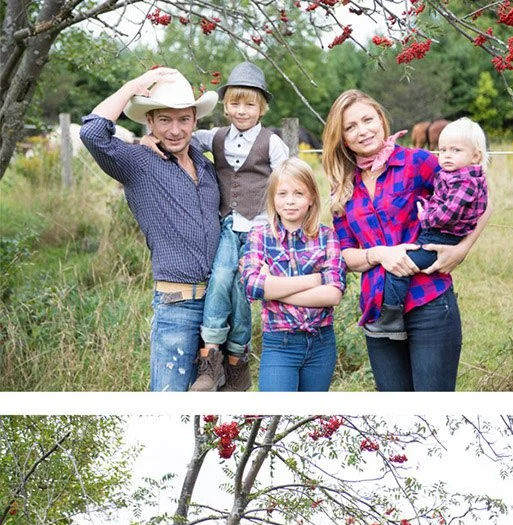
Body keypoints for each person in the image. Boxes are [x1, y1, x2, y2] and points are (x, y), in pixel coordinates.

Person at [321, 90, 492, 391]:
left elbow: (482, 195)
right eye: (351, 127)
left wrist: (461, 250)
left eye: (367, 119)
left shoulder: (417, 163)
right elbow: (344, 256)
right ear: (342, 138)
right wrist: (378, 254)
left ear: (381, 120)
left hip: (429, 302)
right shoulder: (344, 189)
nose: (363, 131)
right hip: (378, 312)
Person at [80, 69, 220, 391]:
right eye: (165, 121)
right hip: (177, 307)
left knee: (214, 400)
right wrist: (131, 87)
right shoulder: (138, 162)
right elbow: (92, 134)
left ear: (195, 120)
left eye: (183, 120)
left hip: (217, 308)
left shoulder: (206, 166)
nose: (175, 130)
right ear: (151, 123)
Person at [188, 62, 290, 393]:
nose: (241, 110)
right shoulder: (215, 137)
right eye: (235, 103)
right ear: (225, 105)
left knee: (243, 290)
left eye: (249, 104)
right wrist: (149, 142)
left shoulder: (271, 142)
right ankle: (212, 352)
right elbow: (182, 135)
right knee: (219, 279)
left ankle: (237, 359)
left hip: (260, 226)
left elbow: (286, 181)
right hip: (228, 223)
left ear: (262, 107)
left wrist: (282, 227)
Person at [367, 118, 490, 341]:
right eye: (442, 150)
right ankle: (391, 316)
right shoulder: (453, 174)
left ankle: (391, 318)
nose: (446, 155)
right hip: (438, 234)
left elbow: (449, 212)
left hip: (442, 236)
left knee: (400, 266)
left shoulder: (465, 181)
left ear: (476, 156)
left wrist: (426, 216)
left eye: (455, 150)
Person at [241, 158, 345, 391]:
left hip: (321, 342)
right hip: (280, 343)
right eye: (282, 194)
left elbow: (333, 294)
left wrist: (274, 289)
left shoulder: (326, 236)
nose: (290, 201)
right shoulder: (260, 236)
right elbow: (254, 287)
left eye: (299, 193)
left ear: (311, 199)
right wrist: (313, 280)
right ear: (273, 199)